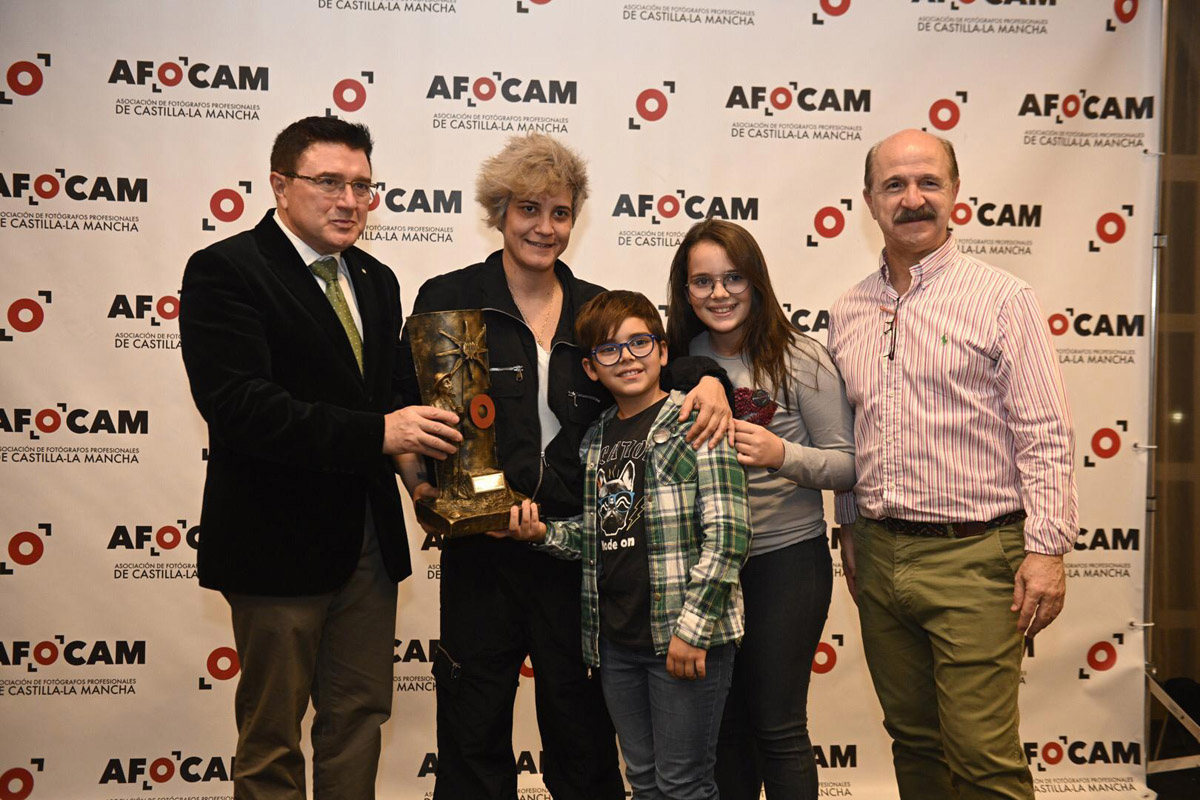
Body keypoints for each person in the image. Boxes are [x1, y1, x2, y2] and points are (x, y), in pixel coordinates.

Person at [395, 133, 733, 800]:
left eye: (560, 212)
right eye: (529, 209)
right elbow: (406, 412)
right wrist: (419, 489)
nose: (544, 228)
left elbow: (666, 360)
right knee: (472, 732)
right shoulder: (449, 297)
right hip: (482, 552)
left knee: (581, 738)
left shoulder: (597, 308)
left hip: (578, 556)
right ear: (500, 211)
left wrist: (712, 379)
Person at [179, 116, 460, 800]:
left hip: (369, 545)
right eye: (328, 182)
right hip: (276, 545)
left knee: (359, 718)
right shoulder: (226, 269)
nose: (348, 200)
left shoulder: (377, 277)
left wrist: (423, 486)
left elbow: (395, 401)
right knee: (272, 735)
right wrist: (379, 436)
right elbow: (242, 407)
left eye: (362, 185)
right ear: (280, 185)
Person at [827, 128, 1077, 800]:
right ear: (870, 203)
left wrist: (1047, 550)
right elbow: (851, 434)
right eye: (895, 186)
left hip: (977, 559)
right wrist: (849, 529)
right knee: (915, 744)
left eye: (928, 183)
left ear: (955, 193)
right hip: (879, 558)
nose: (913, 199)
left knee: (983, 759)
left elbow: (1046, 431)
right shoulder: (848, 310)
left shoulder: (1003, 300)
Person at [503, 289, 751, 800]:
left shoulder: (696, 420)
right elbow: (598, 537)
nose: (628, 358)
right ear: (592, 370)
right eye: (609, 351)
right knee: (642, 781)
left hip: (682, 638)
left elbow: (728, 534)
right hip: (616, 643)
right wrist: (542, 532)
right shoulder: (595, 440)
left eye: (640, 343)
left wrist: (694, 630)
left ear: (663, 351)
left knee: (684, 784)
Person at [665, 219, 855, 800]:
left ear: (757, 282)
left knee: (778, 727)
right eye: (702, 282)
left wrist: (782, 454)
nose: (719, 294)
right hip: (706, 571)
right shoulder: (675, 358)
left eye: (733, 278)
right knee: (722, 730)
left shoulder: (802, 357)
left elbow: (848, 465)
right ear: (684, 290)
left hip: (785, 561)